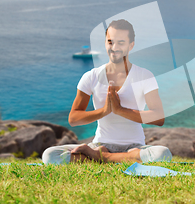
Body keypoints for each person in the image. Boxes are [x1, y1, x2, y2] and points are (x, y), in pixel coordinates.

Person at [42, 19, 172, 164]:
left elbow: (159, 118)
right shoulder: (91, 76)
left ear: (131, 45)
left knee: (163, 154)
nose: (114, 47)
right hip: (100, 145)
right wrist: (105, 111)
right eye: (110, 42)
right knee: (50, 155)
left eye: (120, 43)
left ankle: (100, 158)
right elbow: (73, 118)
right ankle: (112, 157)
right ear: (105, 43)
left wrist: (120, 110)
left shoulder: (144, 75)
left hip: (135, 147)